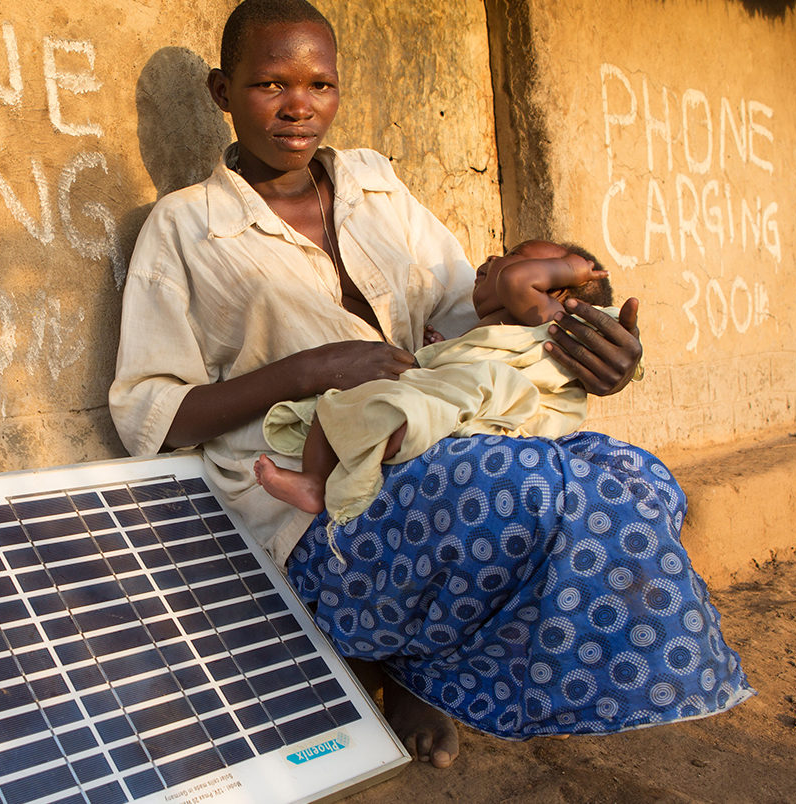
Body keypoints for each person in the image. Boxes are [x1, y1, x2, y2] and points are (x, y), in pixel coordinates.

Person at [109, 0, 752, 767]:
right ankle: (382, 654)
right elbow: (154, 412)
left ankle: (426, 664)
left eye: (320, 84)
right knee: (516, 490)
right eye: (269, 85)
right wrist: (311, 368)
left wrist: (583, 353)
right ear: (223, 92)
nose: (299, 107)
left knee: (634, 479)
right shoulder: (184, 227)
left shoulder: (377, 190)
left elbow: (464, 316)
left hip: (429, 438)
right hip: (305, 484)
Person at [254, 240, 616, 523]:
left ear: (559, 288)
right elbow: (463, 364)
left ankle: (395, 434)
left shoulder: (550, 317)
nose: (493, 258)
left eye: (516, 254)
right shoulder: (497, 324)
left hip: (496, 397)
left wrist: (572, 268)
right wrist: (442, 350)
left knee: (401, 407)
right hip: (464, 393)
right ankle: (314, 481)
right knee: (333, 402)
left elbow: (513, 284)